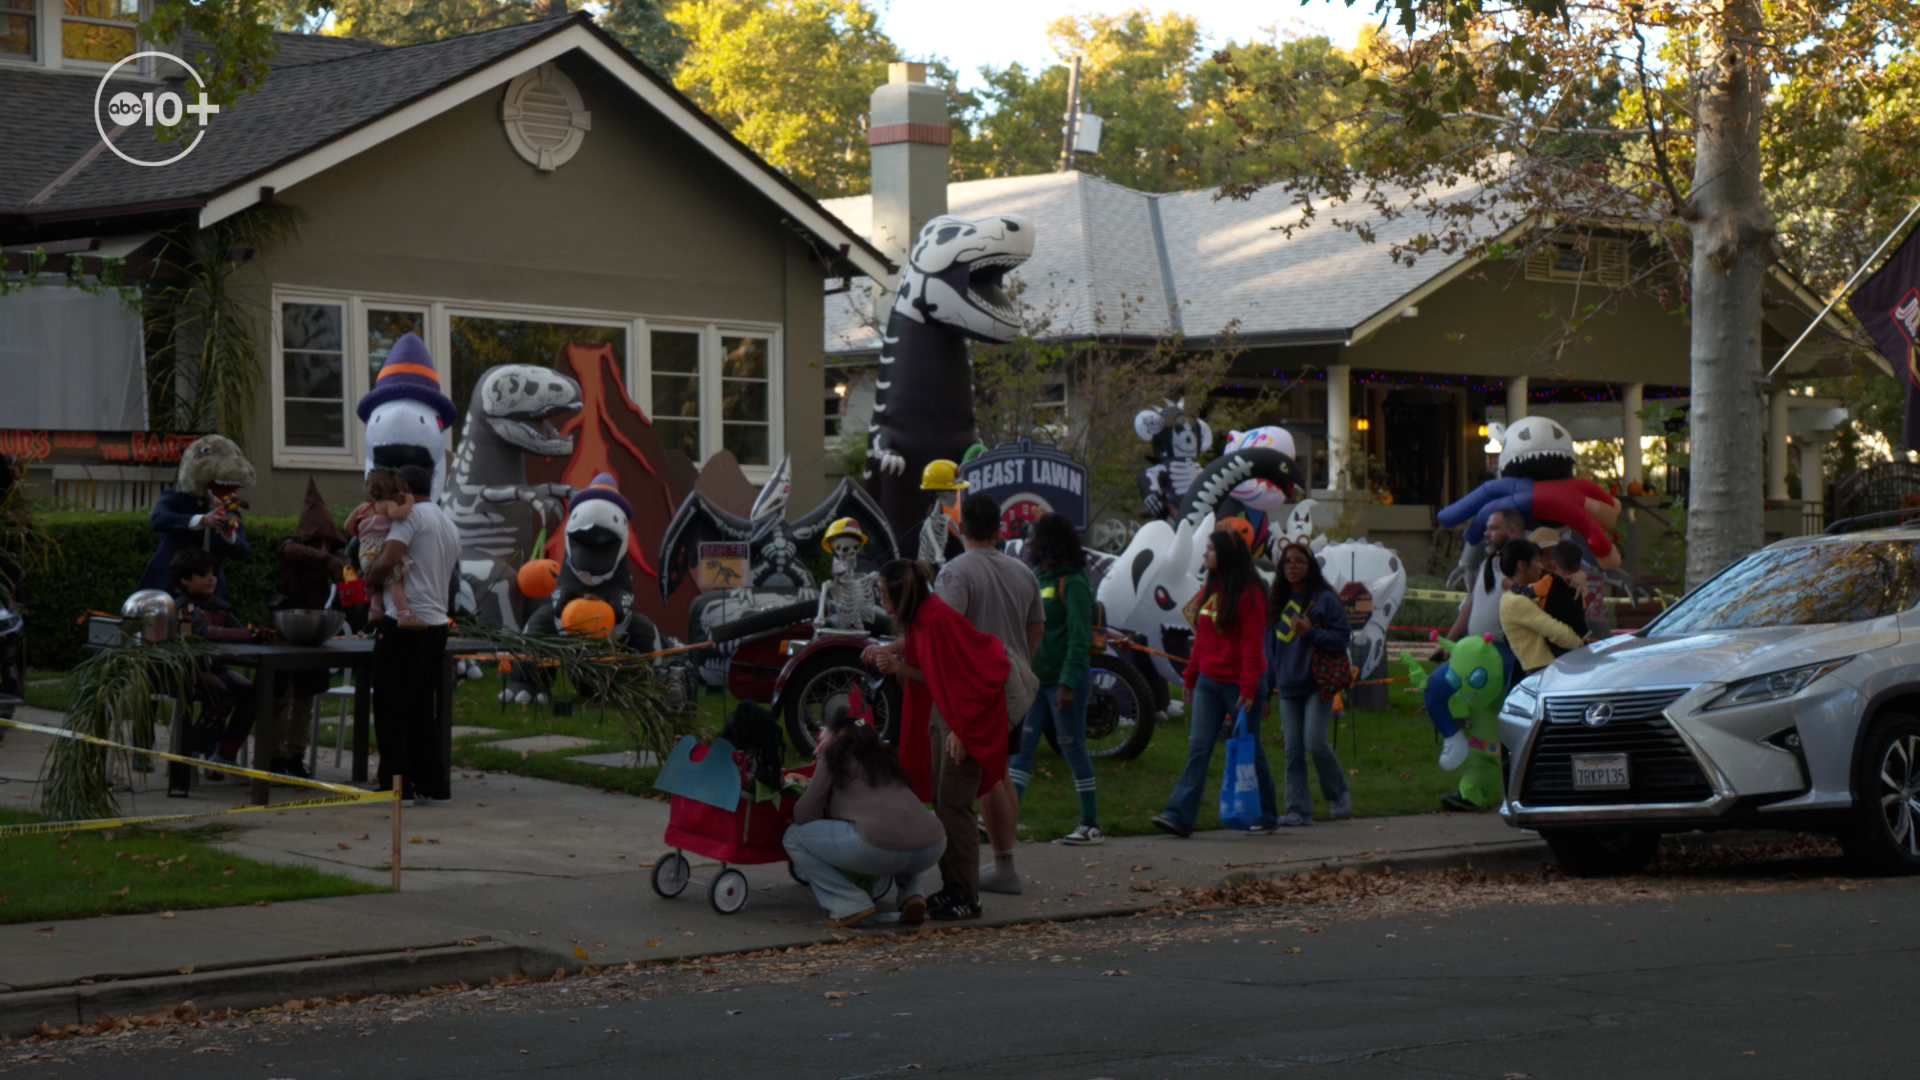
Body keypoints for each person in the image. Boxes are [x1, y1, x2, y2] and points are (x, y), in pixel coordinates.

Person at [861, 559, 1009, 921]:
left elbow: (976, 674)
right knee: (944, 805)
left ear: (900, 595)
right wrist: (898, 665)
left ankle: (966, 895)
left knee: (954, 808)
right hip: (945, 715)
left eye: (882, 593)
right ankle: (955, 889)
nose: (880, 600)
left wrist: (962, 728)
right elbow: (935, 673)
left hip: (961, 719)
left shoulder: (939, 619)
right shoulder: (925, 620)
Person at [929, 493, 1043, 893]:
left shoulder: (955, 573)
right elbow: (1035, 626)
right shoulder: (1022, 572)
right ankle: (1005, 863)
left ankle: (1003, 868)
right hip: (1013, 681)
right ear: (999, 530)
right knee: (1001, 772)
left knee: (987, 777)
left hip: (977, 686)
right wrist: (1021, 663)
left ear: (960, 529)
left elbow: (948, 631)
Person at [1151, 530, 1268, 838]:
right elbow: (1200, 639)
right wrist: (1190, 676)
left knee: (1249, 749)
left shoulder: (1250, 594)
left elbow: (1251, 646)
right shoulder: (1210, 589)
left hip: (1238, 685)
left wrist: (1247, 689)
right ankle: (1178, 816)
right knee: (1199, 748)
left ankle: (1266, 814)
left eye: (1210, 550)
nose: (1205, 555)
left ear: (1226, 555)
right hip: (1208, 681)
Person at [784, 709, 947, 929]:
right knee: (902, 828)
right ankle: (912, 893)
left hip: (879, 849)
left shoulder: (833, 757)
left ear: (838, 736)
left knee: (793, 836)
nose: (817, 747)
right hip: (932, 846)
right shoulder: (885, 759)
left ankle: (849, 903)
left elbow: (802, 814)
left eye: (822, 738)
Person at [365, 464, 461, 807]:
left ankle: (397, 786)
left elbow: (389, 559)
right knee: (421, 706)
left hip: (404, 623)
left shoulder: (410, 517)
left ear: (404, 487)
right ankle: (432, 784)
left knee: (392, 706)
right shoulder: (446, 520)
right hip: (436, 623)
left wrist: (370, 578)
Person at [1010, 512, 1102, 845]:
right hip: (1036, 683)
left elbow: (1079, 638)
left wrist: (1066, 684)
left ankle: (1090, 825)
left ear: (1050, 541)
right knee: (1021, 751)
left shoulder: (1073, 583)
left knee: (1073, 748)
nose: (1030, 542)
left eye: (1034, 536)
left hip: (1065, 685)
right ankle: (1006, 818)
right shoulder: (1040, 579)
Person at [1264, 541, 1352, 827]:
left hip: (1318, 683)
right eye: (1287, 561)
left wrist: (1310, 631)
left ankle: (1338, 792)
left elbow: (1340, 639)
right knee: (1292, 750)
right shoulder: (1275, 602)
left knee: (1314, 742)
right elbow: (1268, 650)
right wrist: (1266, 689)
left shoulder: (1324, 599)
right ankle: (1297, 810)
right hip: (1288, 686)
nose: (1292, 566)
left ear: (1310, 566)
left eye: (1299, 561)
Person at [269, 479, 349, 778]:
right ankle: (273, 756)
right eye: (317, 540)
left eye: (328, 542)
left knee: (305, 700)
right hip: (283, 628)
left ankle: (294, 755)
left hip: (314, 629)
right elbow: (292, 552)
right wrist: (326, 559)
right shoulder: (290, 545)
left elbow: (353, 589)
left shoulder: (338, 558)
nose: (323, 547)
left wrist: (349, 577)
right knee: (279, 698)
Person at [171, 549, 263, 777]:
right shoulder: (181, 607)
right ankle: (190, 753)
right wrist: (249, 635)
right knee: (220, 694)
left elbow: (236, 629)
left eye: (213, 573)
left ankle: (225, 755)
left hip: (216, 667)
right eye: (203, 574)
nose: (211, 578)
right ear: (185, 580)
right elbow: (204, 632)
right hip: (186, 670)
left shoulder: (219, 605)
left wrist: (254, 634)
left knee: (251, 694)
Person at [1498, 539, 1585, 677]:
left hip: (1547, 668)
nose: (1541, 566)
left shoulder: (1524, 593)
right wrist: (1580, 644)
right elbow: (1555, 630)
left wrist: (1580, 576)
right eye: (1537, 561)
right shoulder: (1515, 602)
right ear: (1522, 565)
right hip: (1540, 671)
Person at [349, 470, 425, 628]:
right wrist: (409, 502)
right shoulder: (387, 504)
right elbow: (399, 515)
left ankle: (374, 611)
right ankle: (404, 615)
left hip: (364, 552)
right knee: (394, 582)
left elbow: (347, 526)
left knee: (376, 582)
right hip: (380, 549)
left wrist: (363, 534)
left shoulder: (361, 508)